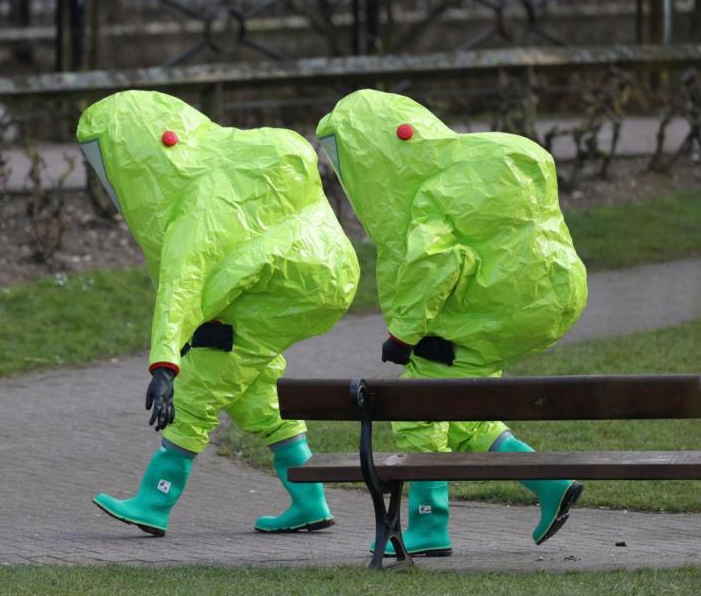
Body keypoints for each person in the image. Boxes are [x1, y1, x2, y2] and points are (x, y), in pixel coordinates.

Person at [316, 89, 589, 557]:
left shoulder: (431, 192)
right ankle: (550, 483)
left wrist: (404, 335)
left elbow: (435, 264)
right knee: (465, 410)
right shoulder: (462, 174)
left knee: (419, 407)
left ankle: (428, 525)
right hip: (527, 308)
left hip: (477, 321)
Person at [77, 90, 359, 537]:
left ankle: (155, 501)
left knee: (199, 382)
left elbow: (183, 282)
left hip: (277, 287)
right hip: (318, 276)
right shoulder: (234, 163)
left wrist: (166, 364)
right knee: (257, 391)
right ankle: (310, 500)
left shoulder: (201, 199)